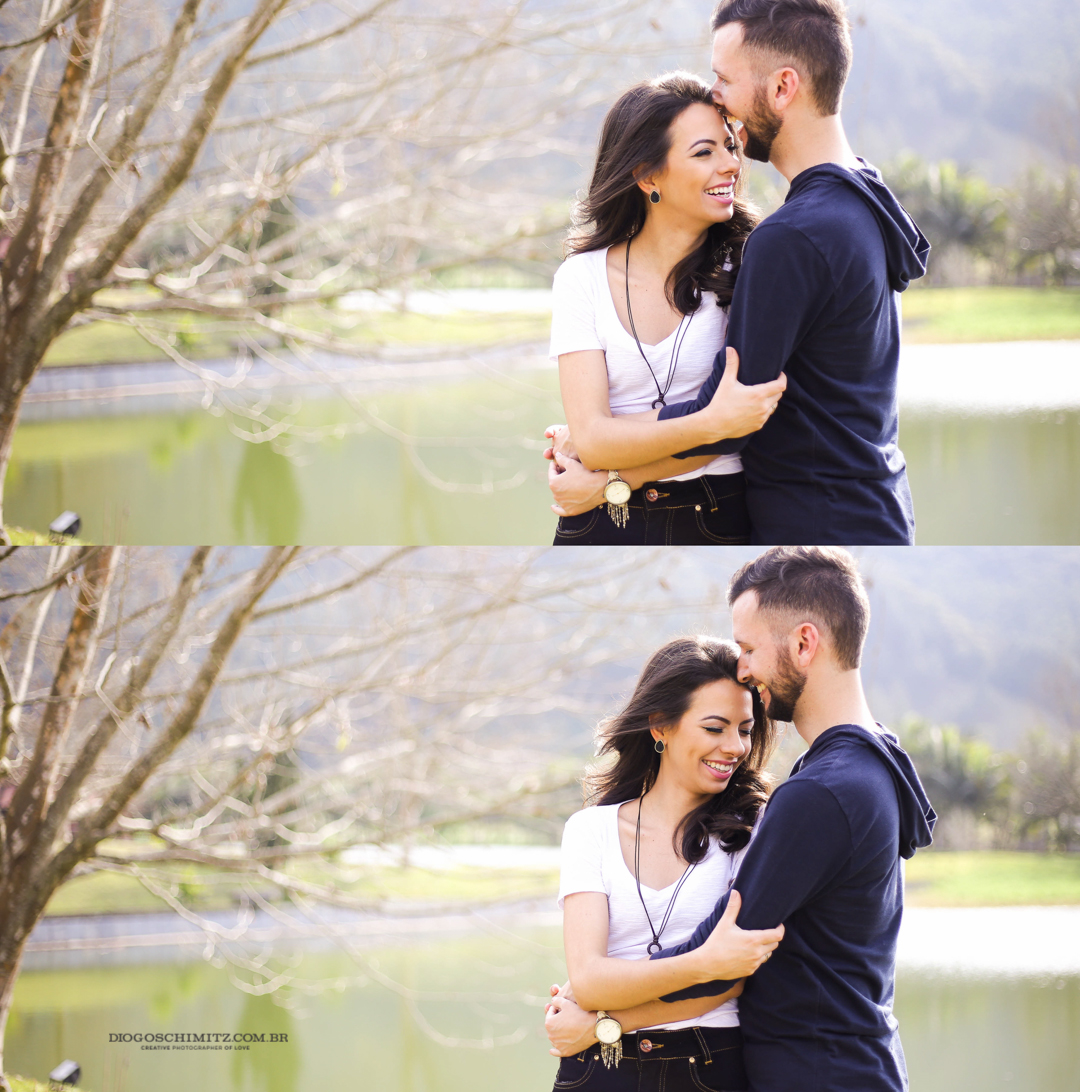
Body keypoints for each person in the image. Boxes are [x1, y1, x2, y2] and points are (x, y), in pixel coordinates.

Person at [550, 546, 937, 1092]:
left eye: (750, 647)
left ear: (804, 643)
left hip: (816, 1074)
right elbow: (720, 958)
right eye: (714, 727)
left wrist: (599, 1012)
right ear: (660, 728)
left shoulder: (820, 792)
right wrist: (599, 1002)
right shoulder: (869, 763)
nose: (745, 665)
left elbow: (726, 959)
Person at [547, 0, 929, 545]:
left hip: (817, 519)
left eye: (724, 78)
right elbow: (725, 415)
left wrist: (599, 459)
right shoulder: (859, 196)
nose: (717, 95)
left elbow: (730, 415)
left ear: (782, 88)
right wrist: (591, 438)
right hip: (862, 507)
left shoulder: (787, 238)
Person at [547, 72, 788, 545]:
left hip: (715, 509)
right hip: (595, 520)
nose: (730, 165)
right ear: (647, 175)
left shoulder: (750, 265)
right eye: (704, 152)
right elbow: (593, 438)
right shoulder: (582, 278)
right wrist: (707, 422)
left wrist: (611, 481)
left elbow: (738, 425)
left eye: (729, 147)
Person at [545, 636, 784, 1090]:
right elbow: (591, 980)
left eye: (745, 730)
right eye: (715, 728)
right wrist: (708, 962)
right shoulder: (589, 830)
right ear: (660, 726)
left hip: (709, 1064)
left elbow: (729, 983)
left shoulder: (752, 831)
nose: (735, 747)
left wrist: (601, 1024)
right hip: (599, 1070)